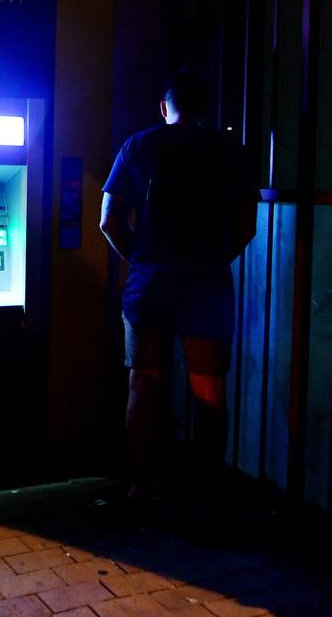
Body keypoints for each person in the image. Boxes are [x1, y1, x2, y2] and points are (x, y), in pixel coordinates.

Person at [99, 70, 257, 502]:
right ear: (205, 110)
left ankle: (140, 487)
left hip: (151, 284)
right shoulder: (231, 151)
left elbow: (109, 220)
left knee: (143, 384)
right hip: (207, 284)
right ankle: (205, 493)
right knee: (209, 388)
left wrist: (144, 259)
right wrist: (208, 261)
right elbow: (246, 227)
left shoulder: (140, 145)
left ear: (163, 108)